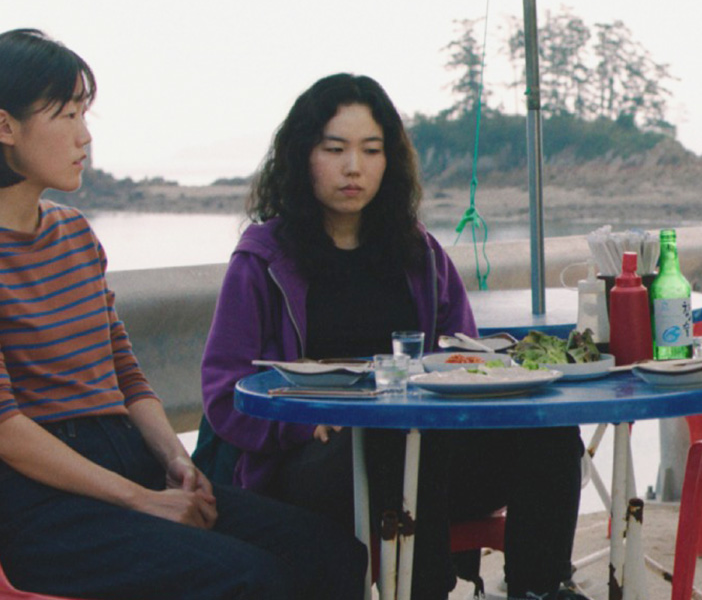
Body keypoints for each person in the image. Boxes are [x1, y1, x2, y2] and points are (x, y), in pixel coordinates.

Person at [0, 28, 367, 600]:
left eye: (84, 114)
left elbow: (125, 373)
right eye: (67, 116)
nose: (84, 136)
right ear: (6, 127)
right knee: (250, 579)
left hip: (127, 457)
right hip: (44, 500)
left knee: (331, 551)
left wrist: (176, 460)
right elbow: (8, 431)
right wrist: (142, 501)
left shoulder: (73, 233)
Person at [200, 72, 588, 600]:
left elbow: (465, 359)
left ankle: (539, 590)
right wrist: (301, 426)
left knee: (551, 431)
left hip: (427, 455)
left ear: (390, 160)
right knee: (396, 438)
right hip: (314, 469)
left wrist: (484, 378)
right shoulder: (264, 259)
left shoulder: (420, 253)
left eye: (371, 150)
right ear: (302, 155)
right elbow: (223, 394)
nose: (353, 167)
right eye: (334, 149)